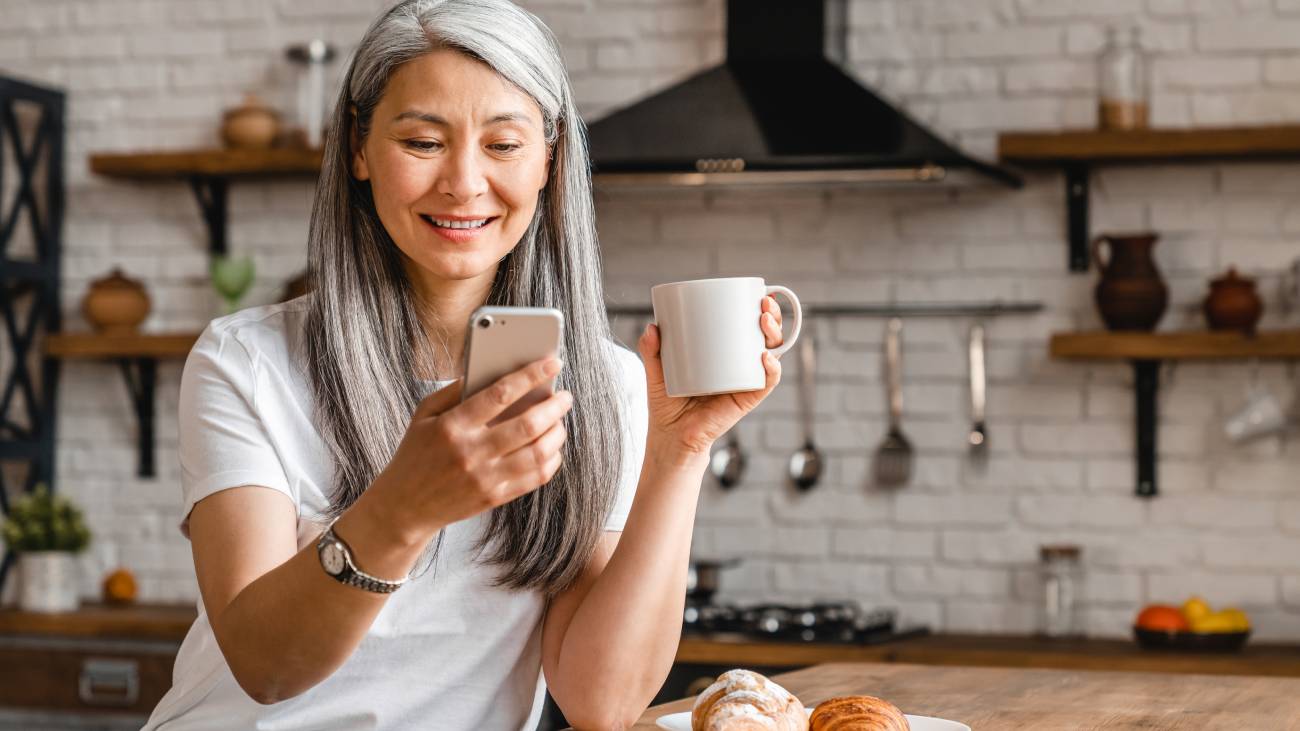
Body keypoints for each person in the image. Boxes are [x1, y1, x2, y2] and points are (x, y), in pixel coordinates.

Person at [142, 1, 786, 729]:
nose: (464, 181)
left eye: (503, 144)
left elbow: (599, 701)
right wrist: (405, 507)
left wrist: (680, 451)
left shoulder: (603, 386)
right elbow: (266, 667)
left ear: (549, 161)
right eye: (423, 141)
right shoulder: (245, 362)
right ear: (358, 147)